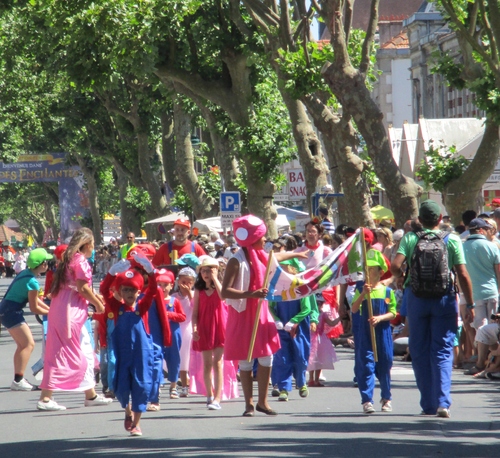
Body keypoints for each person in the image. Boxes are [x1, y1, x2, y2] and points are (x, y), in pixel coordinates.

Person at [391, 200, 474, 418]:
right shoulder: (452, 239)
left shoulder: (410, 238)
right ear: (439, 219)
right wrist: (471, 304)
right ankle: (443, 402)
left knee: (419, 350)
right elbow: (463, 274)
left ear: (420, 219)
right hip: (444, 299)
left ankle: (427, 403)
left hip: (416, 299)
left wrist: (402, 278)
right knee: (443, 349)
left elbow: (395, 266)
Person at [37, 228, 112, 411]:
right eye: (93, 245)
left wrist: (95, 298)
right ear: (86, 245)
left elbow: (79, 287)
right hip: (70, 311)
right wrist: (98, 304)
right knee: (63, 352)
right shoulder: (81, 262)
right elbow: (82, 288)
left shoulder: (68, 260)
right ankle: (46, 398)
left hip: (62, 307)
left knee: (83, 349)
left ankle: (90, 395)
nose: (93, 249)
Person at [221, 215, 281, 417]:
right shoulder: (236, 261)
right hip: (242, 312)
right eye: (262, 237)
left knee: (266, 356)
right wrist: (250, 294)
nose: (265, 240)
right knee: (245, 359)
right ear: (253, 238)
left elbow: (278, 258)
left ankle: (263, 402)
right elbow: (225, 292)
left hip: (261, 312)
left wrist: (299, 254)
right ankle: (249, 404)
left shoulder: (263, 256)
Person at [100, 256, 158, 437]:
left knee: (141, 386)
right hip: (123, 355)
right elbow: (103, 290)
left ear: (139, 291)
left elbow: (154, 290)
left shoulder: (143, 306)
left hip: (141, 355)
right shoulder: (117, 307)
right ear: (120, 292)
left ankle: (136, 423)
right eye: (125, 289)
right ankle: (127, 411)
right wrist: (111, 273)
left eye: (133, 290)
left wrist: (150, 271)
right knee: (123, 386)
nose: (129, 293)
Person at [0, 248, 52, 391]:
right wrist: (53, 313)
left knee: (22, 345)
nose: (48, 264)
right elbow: (35, 308)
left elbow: (35, 302)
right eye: (46, 262)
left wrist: (50, 310)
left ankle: (18, 379)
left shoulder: (25, 274)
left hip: (6, 310)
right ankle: (18, 380)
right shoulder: (32, 282)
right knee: (28, 344)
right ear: (41, 264)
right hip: (11, 312)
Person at [352, 249, 396, 414]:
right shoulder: (362, 290)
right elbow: (354, 309)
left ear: (380, 271)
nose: (369, 272)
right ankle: (367, 401)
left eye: (372, 269)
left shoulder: (387, 291)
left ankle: (386, 398)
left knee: (385, 364)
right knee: (366, 366)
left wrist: (381, 318)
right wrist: (363, 293)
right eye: (366, 269)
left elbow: (393, 312)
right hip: (365, 333)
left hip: (383, 333)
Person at [192, 256, 227, 410]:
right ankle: (209, 394)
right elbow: (195, 313)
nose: (206, 273)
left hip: (220, 326)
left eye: (209, 270)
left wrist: (215, 279)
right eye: (203, 271)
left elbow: (223, 296)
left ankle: (218, 398)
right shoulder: (199, 290)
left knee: (218, 363)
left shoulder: (221, 286)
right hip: (204, 327)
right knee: (207, 364)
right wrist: (194, 328)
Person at [158, 269, 186, 401]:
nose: (162, 288)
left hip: (173, 334)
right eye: (160, 284)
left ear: (171, 285)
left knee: (174, 360)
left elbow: (182, 316)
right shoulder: (153, 301)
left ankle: (173, 386)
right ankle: (157, 385)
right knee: (156, 360)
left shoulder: (174, 301)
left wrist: (169, 314)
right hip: (158, 334)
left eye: (165, 285)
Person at [172, 266, 197, 397]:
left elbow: (196, 307)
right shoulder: (174, 297)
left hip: (190, 329)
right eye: (183, 282)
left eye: (189, 282)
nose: (186, 285)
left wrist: (190, 294)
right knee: (181, 359)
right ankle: (182, 386)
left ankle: (192, 383)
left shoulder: (194, 295)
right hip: (177, 328)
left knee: (190, 358)